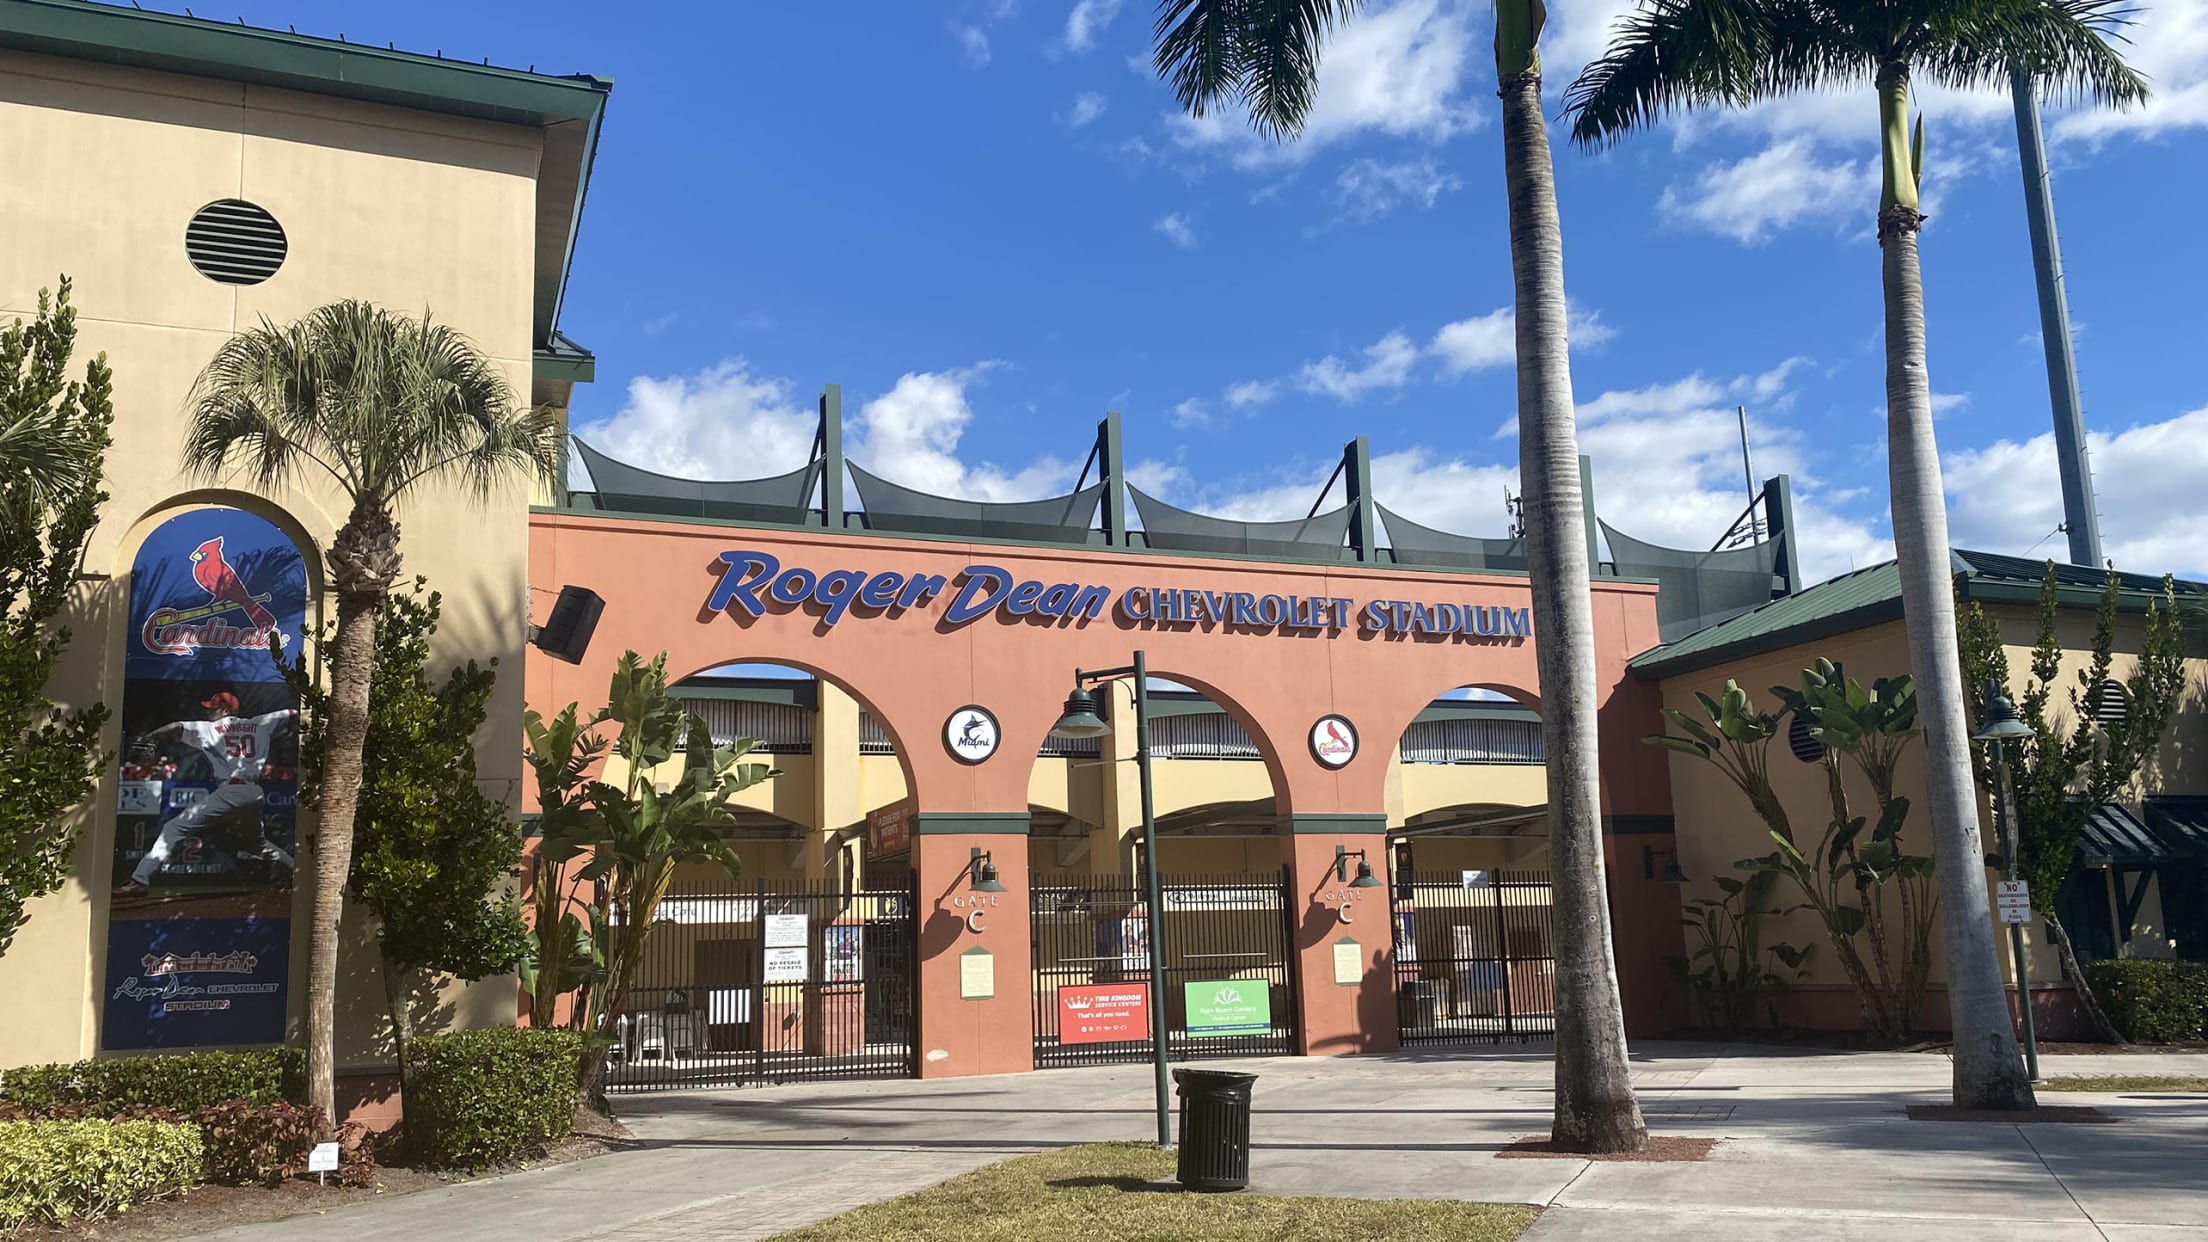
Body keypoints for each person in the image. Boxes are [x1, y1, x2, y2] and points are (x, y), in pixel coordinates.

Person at [113, 691, 296, 897]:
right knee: (257, 845)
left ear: (225, 710)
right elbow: (294, 714)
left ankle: (139, 880)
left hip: (231, 790)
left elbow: (176, 727)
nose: (208, 711)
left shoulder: (210, 729)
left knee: (174, 828)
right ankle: (297, 870)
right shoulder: (261, 723)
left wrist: (151, 736)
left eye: (212, 708)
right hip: (254, 793)